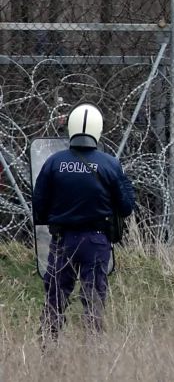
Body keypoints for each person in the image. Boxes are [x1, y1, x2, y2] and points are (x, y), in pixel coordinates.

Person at [32, 104, 136, 343]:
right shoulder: (110, 164)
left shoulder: (54, 163)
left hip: (62, 240)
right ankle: (93, 352)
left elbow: (39, 205)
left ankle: (48, 348)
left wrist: (57, 218)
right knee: (94, 300)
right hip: (97, 240)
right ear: (97, 129)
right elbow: (126, 206)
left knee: (55, 298)